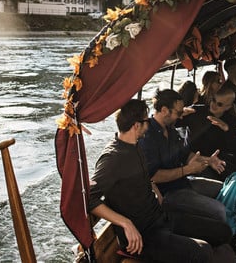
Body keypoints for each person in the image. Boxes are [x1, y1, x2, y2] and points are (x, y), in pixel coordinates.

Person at [88, 99, 214, 262]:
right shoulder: (112, 158)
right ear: (136, 125)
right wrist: (125, 223)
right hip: (143, 235)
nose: (149, 123)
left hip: (159, 217)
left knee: (220, 231)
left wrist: (153, 187)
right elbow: (89, 197)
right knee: (203, 252)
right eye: (147, 120)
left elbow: (142, 174)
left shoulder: (135, 145)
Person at [138, 89, 233, 247]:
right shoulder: (147, 136)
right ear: (164, 110)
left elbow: (185, 155)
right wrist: (187, 170)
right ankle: (220, 246)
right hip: (168, 193)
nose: (182, 115)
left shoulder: (170, 130)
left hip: (184, 182)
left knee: (226, 190)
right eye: (179, 112)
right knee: (219, 211)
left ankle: (227, 235)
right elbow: (153, 176)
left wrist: (208, 161)